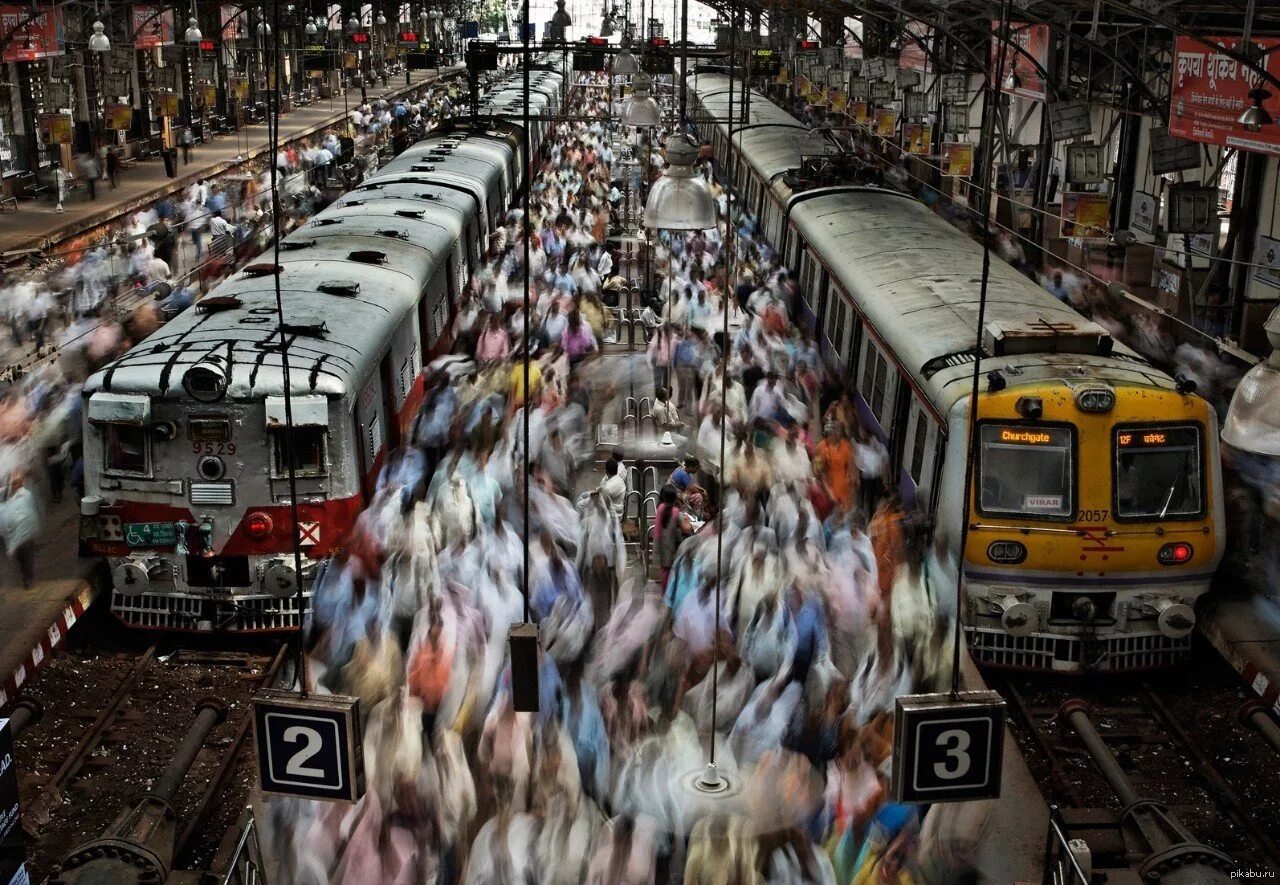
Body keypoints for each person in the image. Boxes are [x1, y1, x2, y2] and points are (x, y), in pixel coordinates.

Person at [0, 472, 41, 590]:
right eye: (13, 483)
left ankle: (28, 579)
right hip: (16, 535)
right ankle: (27, 576)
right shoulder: (8, 496)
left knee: (27, 558)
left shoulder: (25, 495)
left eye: (16, 483)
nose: (14, 485)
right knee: (22, 558)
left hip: (25, 534)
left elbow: (31, 512)